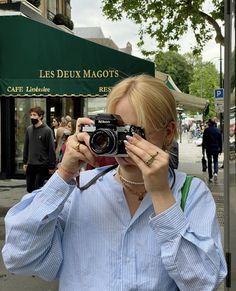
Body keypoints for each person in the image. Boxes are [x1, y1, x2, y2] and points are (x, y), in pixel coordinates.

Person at [2, 75, 227, 290]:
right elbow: (20, 257)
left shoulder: (192, 194)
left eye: (135, 133)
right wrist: (64, 173)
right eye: (116, 130)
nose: (124, 143)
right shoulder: (80, 190)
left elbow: (203, 283)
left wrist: (160, 194)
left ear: (168, 133)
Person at [22, 106, 56, 192]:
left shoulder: (47, 130)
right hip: (30, 165)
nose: (32, 117)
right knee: (29, 189)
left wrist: (52, 166)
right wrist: (25, 162)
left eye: (34, 115)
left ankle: (37, 205)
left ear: (40, 116)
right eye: (31, 115)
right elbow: (26, 146)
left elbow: (51, 149)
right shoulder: (29, 129)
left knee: (38, 190)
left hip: (42, 165)